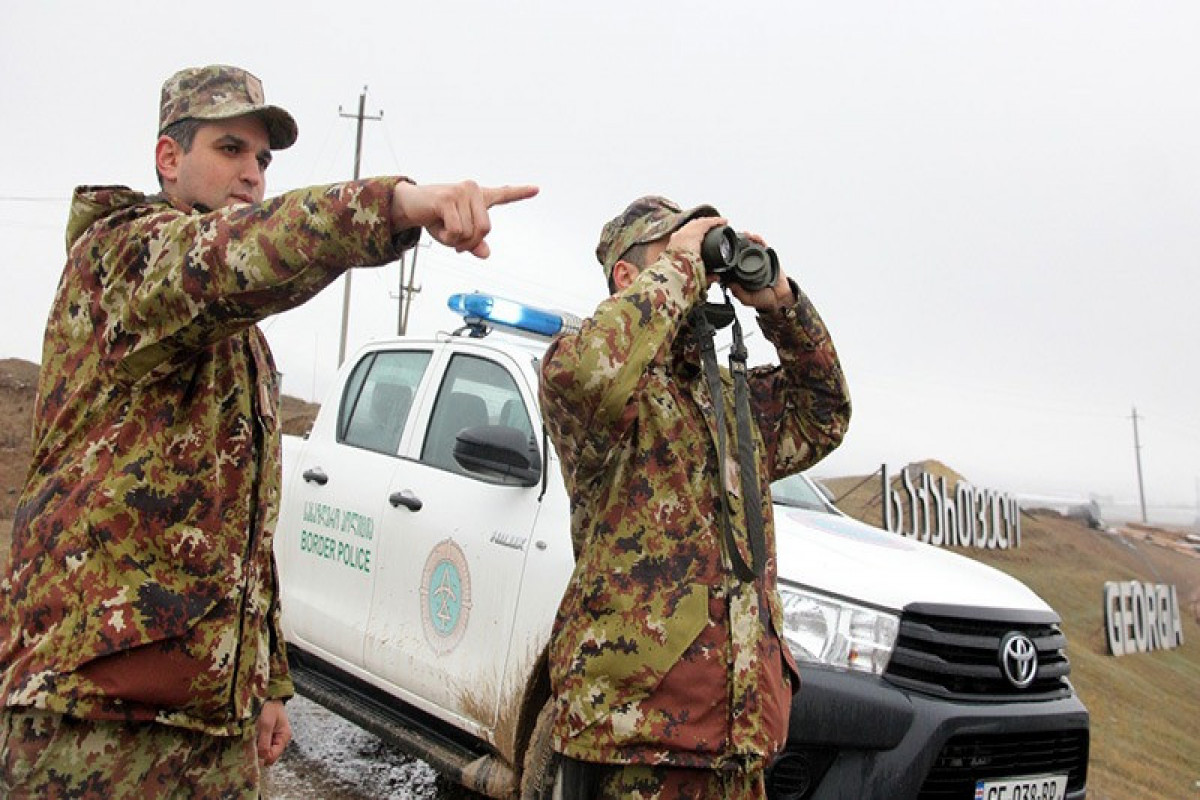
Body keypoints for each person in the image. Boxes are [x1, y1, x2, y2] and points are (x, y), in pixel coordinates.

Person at [0, 64, 537, 798]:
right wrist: (398, 204)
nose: (252, 173)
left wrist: (267, 679)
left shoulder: (237, 341)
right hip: (96, 717)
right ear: (168, 158)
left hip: (205, 722)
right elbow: (235, 255)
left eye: (262, 160)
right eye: (230, 149)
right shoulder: (121, 258)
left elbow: (243, 528)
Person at [538, 196, 851, 799]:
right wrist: (681, 266)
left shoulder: (731, 398)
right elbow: (592, 374)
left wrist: (782, 306)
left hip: (739, 742)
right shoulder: (591, 385)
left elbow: (825, 413)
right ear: (629, 278)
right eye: (678, 253)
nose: (702, 272)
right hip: (637, 743)